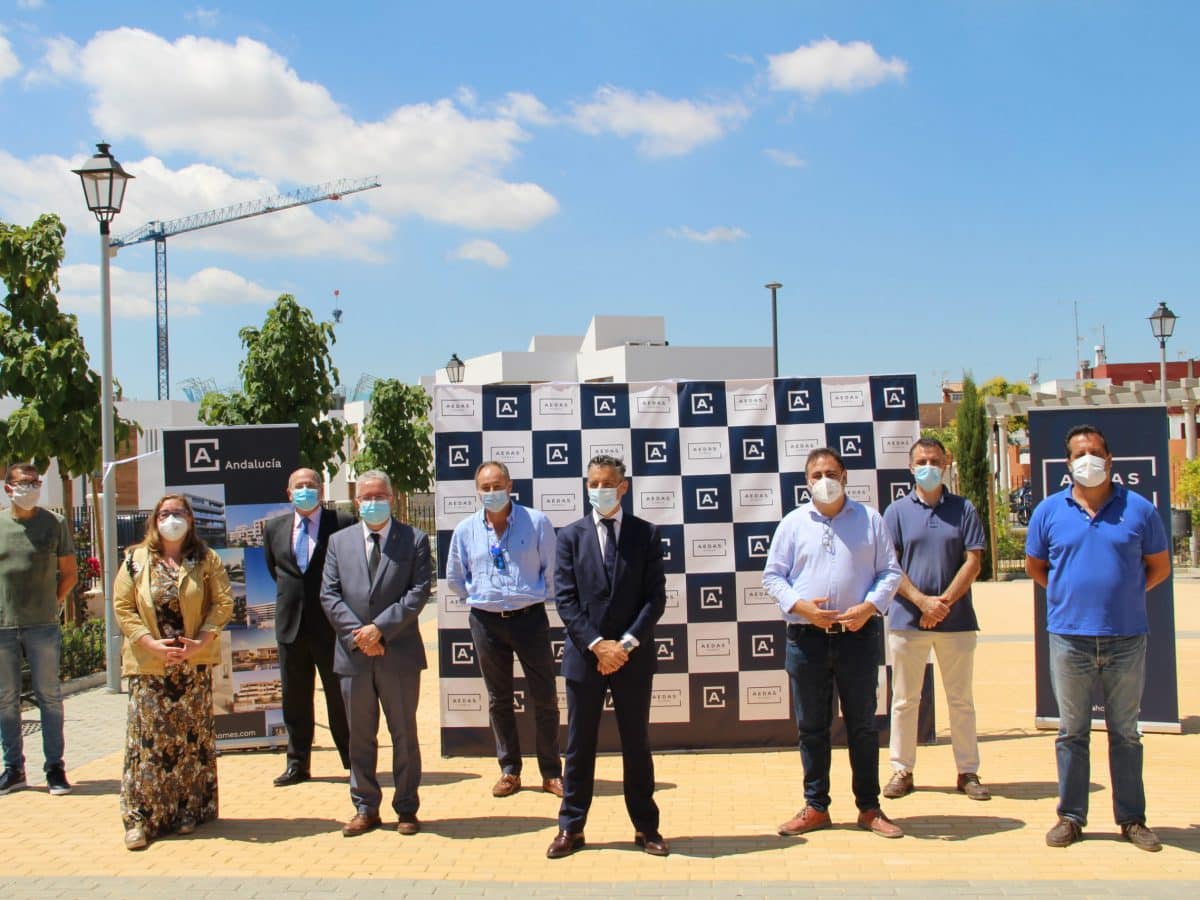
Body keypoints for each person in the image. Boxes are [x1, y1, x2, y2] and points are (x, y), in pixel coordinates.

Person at [1025, 424, 1171, 852]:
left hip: (1126, 638)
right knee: (1072, 732)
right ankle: (1071, 817)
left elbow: (1159, 567)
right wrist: (1068, 593)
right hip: (1069, 638)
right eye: (1078, 453)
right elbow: (1036, 566)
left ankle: (1132, 819)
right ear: (1068, 465)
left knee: (1126, 732)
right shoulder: (1049, 511)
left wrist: (1126, 592)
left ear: (1109, 459)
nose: (1087, 458)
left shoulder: (1140, 510)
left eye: (1094, 451)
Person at [763, 447, 904, 839]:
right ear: (806, 482)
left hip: (857, 637)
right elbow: (773, 577)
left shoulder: (869, 520)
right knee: (811, 727)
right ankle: (815, 806)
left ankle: (870, 808)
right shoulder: (793, 524)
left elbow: (890, 572)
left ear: (844, 476)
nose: (823, 480)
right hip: (806, 638)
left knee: (861, 725)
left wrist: (869, 607)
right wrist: (801, 607)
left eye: (830, 472)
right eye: (815, 474)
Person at [546, 455, 668, 859]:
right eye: (592, 483)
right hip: (586, 657)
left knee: (637, 743)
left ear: (623, 487)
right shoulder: (570, 536)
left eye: (607, 483)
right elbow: (565, 599)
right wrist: (598, 645)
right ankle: (571, 828)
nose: (599, 489)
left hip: (633, 658)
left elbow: (655, 599)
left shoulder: (646, 535)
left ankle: (646, 828)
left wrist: (625, 646)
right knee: (580, 744)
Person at [113, 494, 234, 850]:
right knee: (147, 742)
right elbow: (122, 606)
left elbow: (223, 602)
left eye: (178, 512)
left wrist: (200, 642)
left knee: (188, 739)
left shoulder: (206, 559)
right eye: (165, 513)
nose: (171, 519)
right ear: (154, 520)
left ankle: (187, 810)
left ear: (191, 519)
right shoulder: (135, 560)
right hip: (150, 664)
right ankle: (141, 819)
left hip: (191, 664)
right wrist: (149, 642)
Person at [321, 470, 431, 837]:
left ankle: (407, 808)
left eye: (380, 495)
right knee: (360, 736)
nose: (373, 501)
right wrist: (360, 635)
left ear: (393, 497)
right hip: (353, 655)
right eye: (366, 496)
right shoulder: (339, 542)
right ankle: (365, 807)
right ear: (356, 502)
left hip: (397, 654)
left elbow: (417, 592)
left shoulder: (413, 539)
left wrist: (380, 629)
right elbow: (330, 595)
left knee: (404, 734)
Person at [446, 460, 562, 799]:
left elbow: (552, 571)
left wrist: (532, 596)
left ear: (510, 485)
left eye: (498, 486)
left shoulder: (537, 522)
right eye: (486, 488)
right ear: (477, 491)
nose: (492, 493)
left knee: (545, 698)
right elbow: (454, 578)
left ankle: (551, 772)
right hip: (486, 621)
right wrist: (483, 598)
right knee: (499, 699)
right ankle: (509, 770)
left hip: (530, 618)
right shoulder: (466, 529)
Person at [882, 437, 989, 802]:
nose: (928, 466)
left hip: (956, 621)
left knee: (961, 700)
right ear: (911, 467)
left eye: (934, 460)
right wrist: (922, 602)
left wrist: (941, 604)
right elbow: (889, 566)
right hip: (907, 620)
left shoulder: (965, 509)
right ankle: (901, 769)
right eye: (921, 460)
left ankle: (968, 771)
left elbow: (973, 561)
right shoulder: (895, 512)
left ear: (946, 464)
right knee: (904, 700)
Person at [263, 467, 354, 787]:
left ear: (321, 490)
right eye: (298, 486)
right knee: (295, 700)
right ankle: (297, 764)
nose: (305, 490)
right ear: (289, 493)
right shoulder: (274, 528)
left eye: (311, 485)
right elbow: (278, 572)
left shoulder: (342, 524)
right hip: (291, 628)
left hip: (331, 628)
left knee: (340, 698)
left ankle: (353, 761)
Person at [0, 464, 77, 797]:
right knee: (5, 701)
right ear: (7, 488)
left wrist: (52, 603)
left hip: (42, 626)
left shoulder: (54, 524)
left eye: (35, 482)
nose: (30, 488)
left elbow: (69, 573)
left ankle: (55, 769)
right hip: (2, 627)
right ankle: (14, 769)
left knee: (50, 699)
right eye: (23, 483)